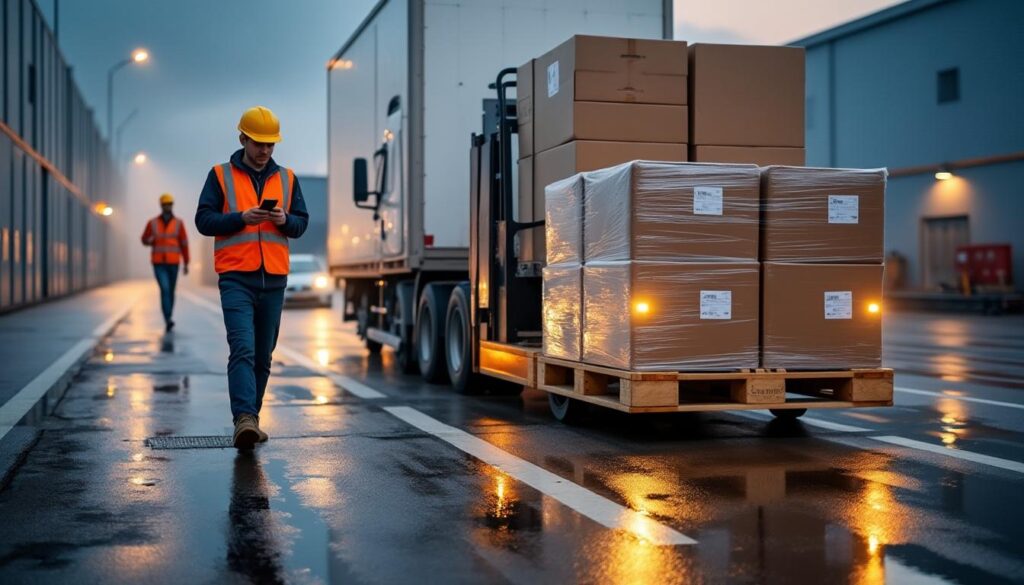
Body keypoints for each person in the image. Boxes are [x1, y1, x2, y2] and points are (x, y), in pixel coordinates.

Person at [195, 106, 309, 449]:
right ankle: (243, 419)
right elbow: (204, 221)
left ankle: (250, 421)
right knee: (242, 348)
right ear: (243, 138)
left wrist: (282, 218)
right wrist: (241, 217)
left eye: (271, 145)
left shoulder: (287, 178)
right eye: (259, 143)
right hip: (236, 277)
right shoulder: (219, 175)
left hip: (274, 280)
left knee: (264, 356)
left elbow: (300, 224)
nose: (265, 151)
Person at [141, 193, 189, 332]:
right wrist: (149, 241)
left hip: (174, 262)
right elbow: (144, 238)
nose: (168, 206)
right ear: (161, 205)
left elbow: (184, 244)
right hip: (159, 262)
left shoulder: (179, 223)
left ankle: (169, 316)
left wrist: (186, 263)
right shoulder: (153, 223)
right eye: (166, 204)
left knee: (171, 291)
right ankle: (167, 318)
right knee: (165, 289)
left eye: (170, 204)